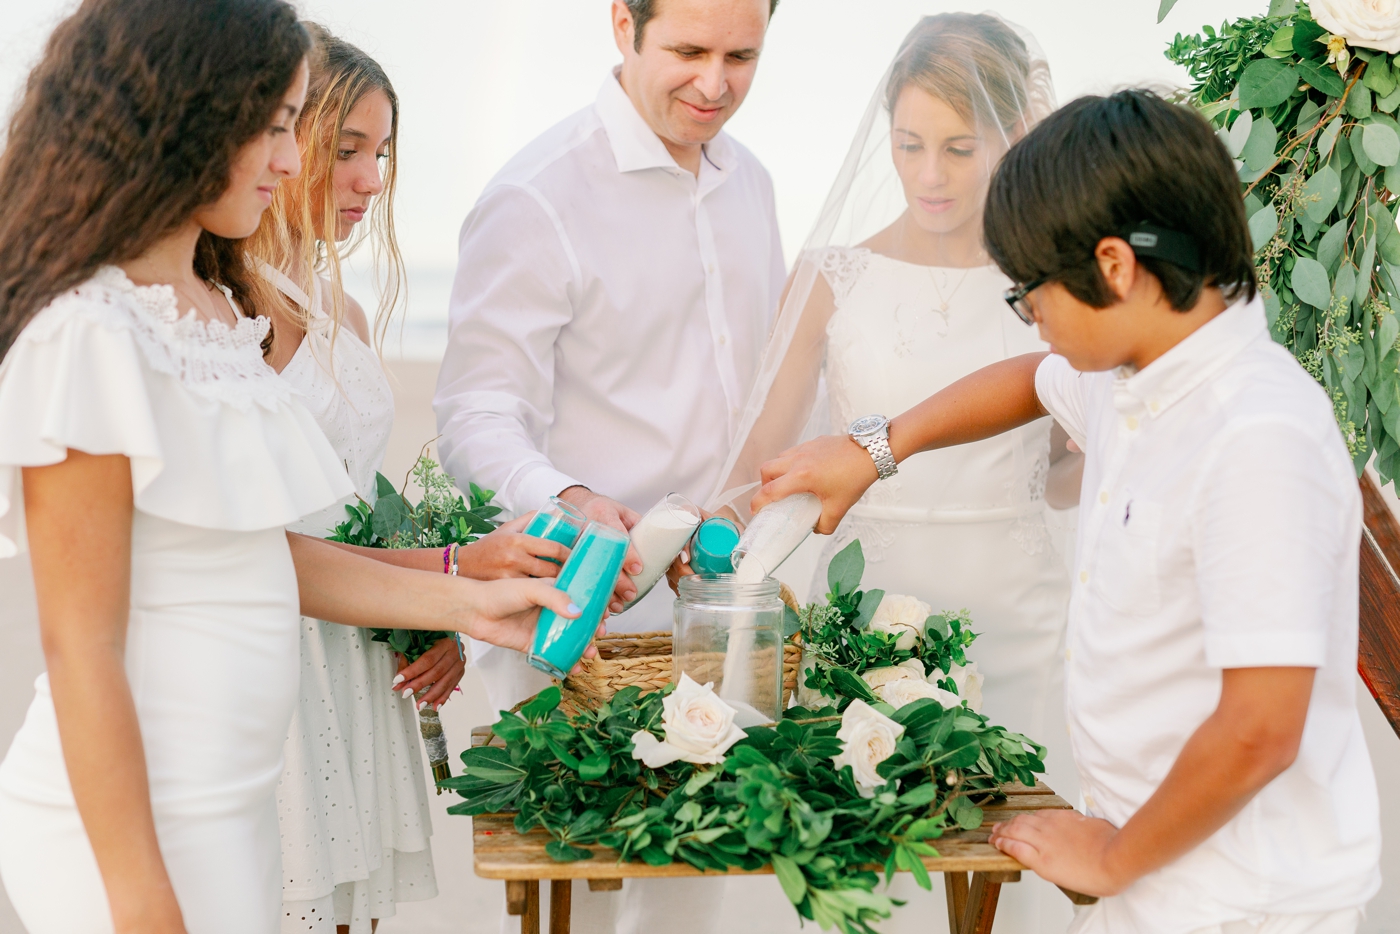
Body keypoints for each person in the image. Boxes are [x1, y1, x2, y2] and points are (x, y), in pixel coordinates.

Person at [0, 3, 578, 933]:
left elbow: (267, 556)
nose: (288, 158)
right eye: (273, 127)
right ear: (185, 120)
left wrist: (472, 601)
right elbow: (82, 652)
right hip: (131, 831)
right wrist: (141, 903)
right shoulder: (87, 336)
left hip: (236, 810)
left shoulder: (219, 312)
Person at [753, 89, 1381, 934]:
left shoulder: (1255, 435)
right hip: (1154, 875)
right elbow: (1031, 382)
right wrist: (873, 451)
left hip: (1242, 900)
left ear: (1114, 265)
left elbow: (1261, 727)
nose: (1032, 320)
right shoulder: (1140, 374)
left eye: (1031, 294)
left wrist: (1114, 858)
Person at [699, 14, 1076, 932]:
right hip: (864, 615)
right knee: (873, 876)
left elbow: (1068, 474)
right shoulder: (834, 277)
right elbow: (765, 464)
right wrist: (708, 557)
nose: (930, 174)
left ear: (1012, 133)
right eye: (909, 145)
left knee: (1013, 863)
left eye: (958, 147)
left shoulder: (1057, 281)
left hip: (1017, 613)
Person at [433, 0, 783, 930]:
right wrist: (570, 497)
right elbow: (475, 413)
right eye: (689, 50)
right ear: (623, 23)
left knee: (699, 898)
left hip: (718, 619)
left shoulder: (752, 182)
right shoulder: (537, 196)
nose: (716, 84)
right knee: (576, 903)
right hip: (575, 620)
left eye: (742, 55)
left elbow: (766, 386)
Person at [243, 25, 573, 934]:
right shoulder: (228, 309)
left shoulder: (342, 312)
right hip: (270, 655)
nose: (371, 179)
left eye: (381, 153)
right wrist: (455, 584)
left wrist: (432, 612)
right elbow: (268, 538)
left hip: (355, 659)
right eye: (346, 149)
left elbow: (347, 515)